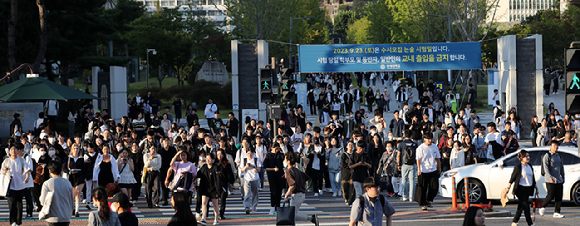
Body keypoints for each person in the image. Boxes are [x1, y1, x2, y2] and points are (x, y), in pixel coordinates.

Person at [507, 150, 539, 226]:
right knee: (526, 206)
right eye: (526, 156)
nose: (528, 157)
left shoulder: (530, 166)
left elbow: (532, 178)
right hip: (520, 189)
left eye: (528, 156)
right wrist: (507, 188)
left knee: (521, 206)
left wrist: (536, 188)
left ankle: (514, 222)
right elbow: (512, 179)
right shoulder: (518, 167)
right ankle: (530, 223)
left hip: (528, 188)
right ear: (521, 158)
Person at [2, 145, 31, 226]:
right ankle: (12, 221)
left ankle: (18, 221)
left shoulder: (21, 160)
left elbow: (27, 170)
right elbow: (2, 173)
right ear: (9, 151)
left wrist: (27, 178)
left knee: (19, 205)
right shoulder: (6, 161)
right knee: (12, 204)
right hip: (10, 186)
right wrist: (5, 171)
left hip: (20, 185)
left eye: (15, 149)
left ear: (18, 151)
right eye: (12, 149)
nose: (13, 151)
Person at [40, 160, 74, 226]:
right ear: (61, 170)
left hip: (52, 217)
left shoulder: (47, 183)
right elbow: (71, 201)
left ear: (50, 171)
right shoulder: (67, 183)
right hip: (65, 217)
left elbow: (42, 201)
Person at [539, 141, 566, 218]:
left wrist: (563, 177)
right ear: (550, 146)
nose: (556, 147)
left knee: (559, 196)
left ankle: (557, 212)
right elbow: (546, 168)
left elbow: (561, 167)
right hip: (550, 179)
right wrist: (550, 177)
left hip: (558, 179)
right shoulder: (547, 155)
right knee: (551, 195)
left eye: (556, 145)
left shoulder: (559, 155)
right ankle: (542, 207)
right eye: (554, 145)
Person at [416, 133, 441, 211]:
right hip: (423, 170)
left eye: (431, 139)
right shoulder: (420, 148)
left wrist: (439, 168)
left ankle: (429, 200)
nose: (430, 140)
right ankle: (423, 204)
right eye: (428, 139)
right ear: (425, 139)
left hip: (433, 169)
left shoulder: (434, 147)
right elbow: (418, 160)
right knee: (423, 188)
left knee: (434, 187)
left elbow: (438, 158)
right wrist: (419, 170)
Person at [197, 153, 221, 226]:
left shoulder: (216, 167)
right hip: (205, 188)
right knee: (204, 203)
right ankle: (203, 218)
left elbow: (218, 178)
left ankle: (216, 219)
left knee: (215, 205)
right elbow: (198, 174)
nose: (207, 160)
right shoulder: (204, 167)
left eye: (209, 159)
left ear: (213, 160)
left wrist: (219, 189)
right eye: (206, 158)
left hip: (214, 189)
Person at [264, 146, 285, 215]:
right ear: (272, 148)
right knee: (273, 191)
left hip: (280, 175)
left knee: (279, 191)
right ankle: (273, 206)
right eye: (275, 149)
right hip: (272, 176)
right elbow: (265, 167)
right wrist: (273, 169)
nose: (276, 150)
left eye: (277, 149)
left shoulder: (281, 155)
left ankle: (278, 207)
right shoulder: (269, 155)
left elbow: (285, 163)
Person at [65, 143, 85, 217]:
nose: (76, 150)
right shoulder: (68, 158)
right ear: (71, 149)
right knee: (72, 195)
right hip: (71, 177)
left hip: (80, 177)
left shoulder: (81, 158)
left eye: (77, 148)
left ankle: (77, 211)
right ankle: (72, 208)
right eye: (74, 148)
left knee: (77, 193)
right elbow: (64, 168)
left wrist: (84, 177)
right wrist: (69, 171)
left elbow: (84, 169)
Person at [397, 131, 417, 202]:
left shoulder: (401, 144)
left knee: (404, 180)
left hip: (404, 164)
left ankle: (404, 196)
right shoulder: (414, 144)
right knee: (412, 181)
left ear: (404, 135)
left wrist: (398, 164)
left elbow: (398, 155)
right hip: (412, 164)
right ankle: (411, 197)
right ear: (411, 136)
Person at [241, 147, 261, 214]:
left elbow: (259, 170)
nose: (250, 155)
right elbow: (242, 170)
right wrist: (246, 167)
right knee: (247, 193)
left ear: (253, 153)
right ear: (246, 153)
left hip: (255, 178)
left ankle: (254, 207)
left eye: (251, 153)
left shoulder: (256, 160)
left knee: (255, 193)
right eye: (248, 153)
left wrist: (253, 166)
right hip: (247, 178)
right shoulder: (244, 160)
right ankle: (247, 207)